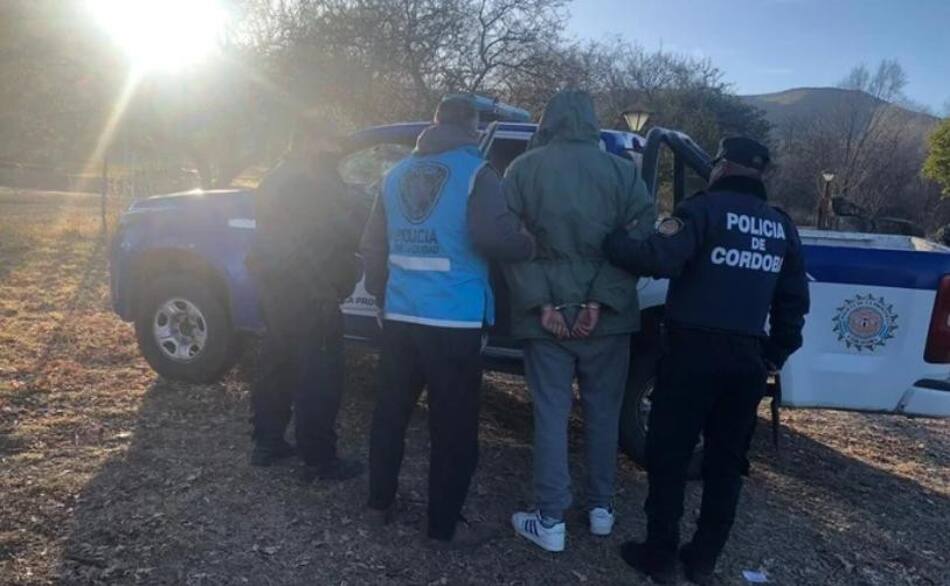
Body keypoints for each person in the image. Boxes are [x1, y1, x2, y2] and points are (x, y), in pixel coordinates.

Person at [602, 137, 810, 584]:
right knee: (725, 463)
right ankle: (702, 560)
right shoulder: (780, 226)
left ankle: (659, 554)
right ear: (759, 173)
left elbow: (658, 257)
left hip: (692, 355)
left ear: (721, 166)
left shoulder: (703, 210)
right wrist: (774, 354)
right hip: (746, 361)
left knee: (669, 453)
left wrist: (612, 240)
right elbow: (793, 300)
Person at [360, 96, 535, 547]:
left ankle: (378, 504)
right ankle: (442, 527)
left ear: (435, 124)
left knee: (390, 417)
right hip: (453, 322)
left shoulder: (393, 175)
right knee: (453, 428)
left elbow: (373, 247)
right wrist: (528, 243)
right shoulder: (477, 173)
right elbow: (492, 236)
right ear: (473, 126)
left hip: (400, 318)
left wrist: (382, 298)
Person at [503, 89, 655, 553]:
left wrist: (542, 304)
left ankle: (550, 520)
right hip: (607, 321)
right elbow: (641, 235)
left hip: (545, 317)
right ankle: (602, 510)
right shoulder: (622, 173)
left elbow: (511, 239)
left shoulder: (523, 169)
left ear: (549, 119)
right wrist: (599, 302)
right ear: (591, 122)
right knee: (603, 414)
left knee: (550, 414)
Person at [246, 119, 366, 483]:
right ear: (312, 142)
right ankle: (320, 460)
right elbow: (342, 230)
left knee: (276, 365)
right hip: (313, 292)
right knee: (320, 377)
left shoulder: (276, 177)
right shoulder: (318, 181)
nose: (337, 148)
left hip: (275, 288)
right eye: (331, 141)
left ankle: (267, 443)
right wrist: (360, 203)